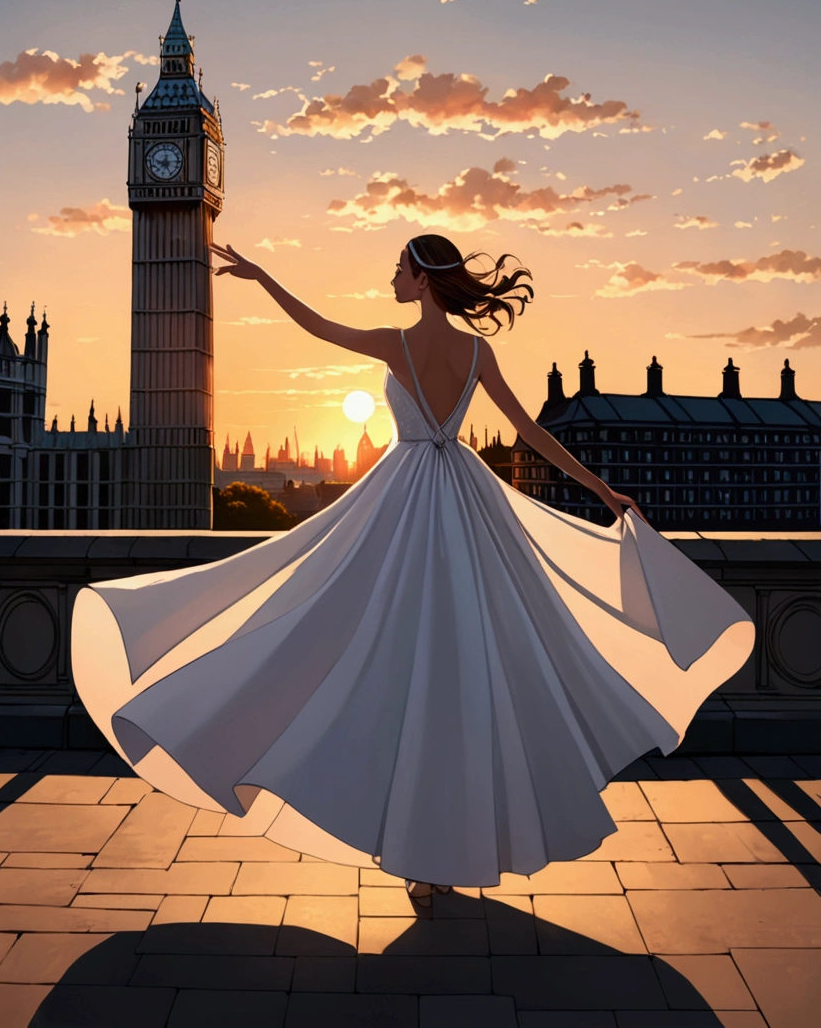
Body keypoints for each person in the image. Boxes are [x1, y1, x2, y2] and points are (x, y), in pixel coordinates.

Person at [71, 233, 755, 910]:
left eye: (400, 269)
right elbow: (532, 433)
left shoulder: (393, 343)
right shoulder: (478, 351)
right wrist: (602, 491)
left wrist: (263, 275)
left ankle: (401, 835)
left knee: (341, 636)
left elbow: (315, 325)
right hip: (465, 499)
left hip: (400, 499)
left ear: (424, 279)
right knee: (472, 673)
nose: (392, 278)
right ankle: (453, 844)